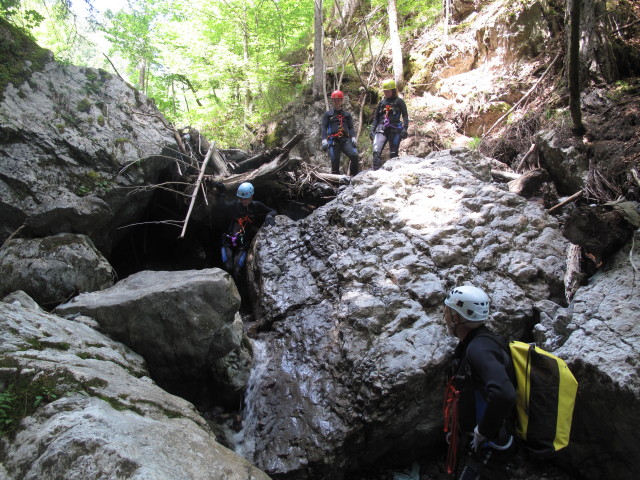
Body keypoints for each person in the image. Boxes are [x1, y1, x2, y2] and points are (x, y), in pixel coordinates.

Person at [442, 285, 518, 480]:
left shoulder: (479, 349)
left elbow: (504, 393)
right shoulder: (478, 342)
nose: (446, 317)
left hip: (492, 444)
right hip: (484, 438)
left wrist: (482, 431)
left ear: (457, 318)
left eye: (448, 312)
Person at [216, 182, 276, 281]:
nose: (243, 201)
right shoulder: (235, 205)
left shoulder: (256, 206)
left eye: (246, 198)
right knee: (228, 268)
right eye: (241, 198)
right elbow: (222, 206)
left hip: (242, 244)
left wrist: (269, 216)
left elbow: (272, 210)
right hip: (228, 241)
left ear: (251, 196)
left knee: (238, 272)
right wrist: (221, 193)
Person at [370, 79, 409, 170]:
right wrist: (372, 130)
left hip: (395, 129)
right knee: (376, 152)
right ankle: (375, 174)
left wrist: (405, 128)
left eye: (388, 91)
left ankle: (393, 176)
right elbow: (376, 118)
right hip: (381, 128)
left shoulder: (399, 102)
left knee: (393, 154)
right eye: (384, 91)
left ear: (393, 90)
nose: (386, 93)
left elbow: (405, 115)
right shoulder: (382, 103)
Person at [321, 90, 360, 176]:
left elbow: (351, 128)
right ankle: (336, 185)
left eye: (338, 100)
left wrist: (353, 137)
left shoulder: (347, 115)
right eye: (335, 100)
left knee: (354, 156)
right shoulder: (328, 114)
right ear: (332, 101)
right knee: (335, 162)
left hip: (345, 140)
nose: (337, 102)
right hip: (333, 141)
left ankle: (355, 178)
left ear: (342, 101)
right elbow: (324, 127)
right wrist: (324, 139)